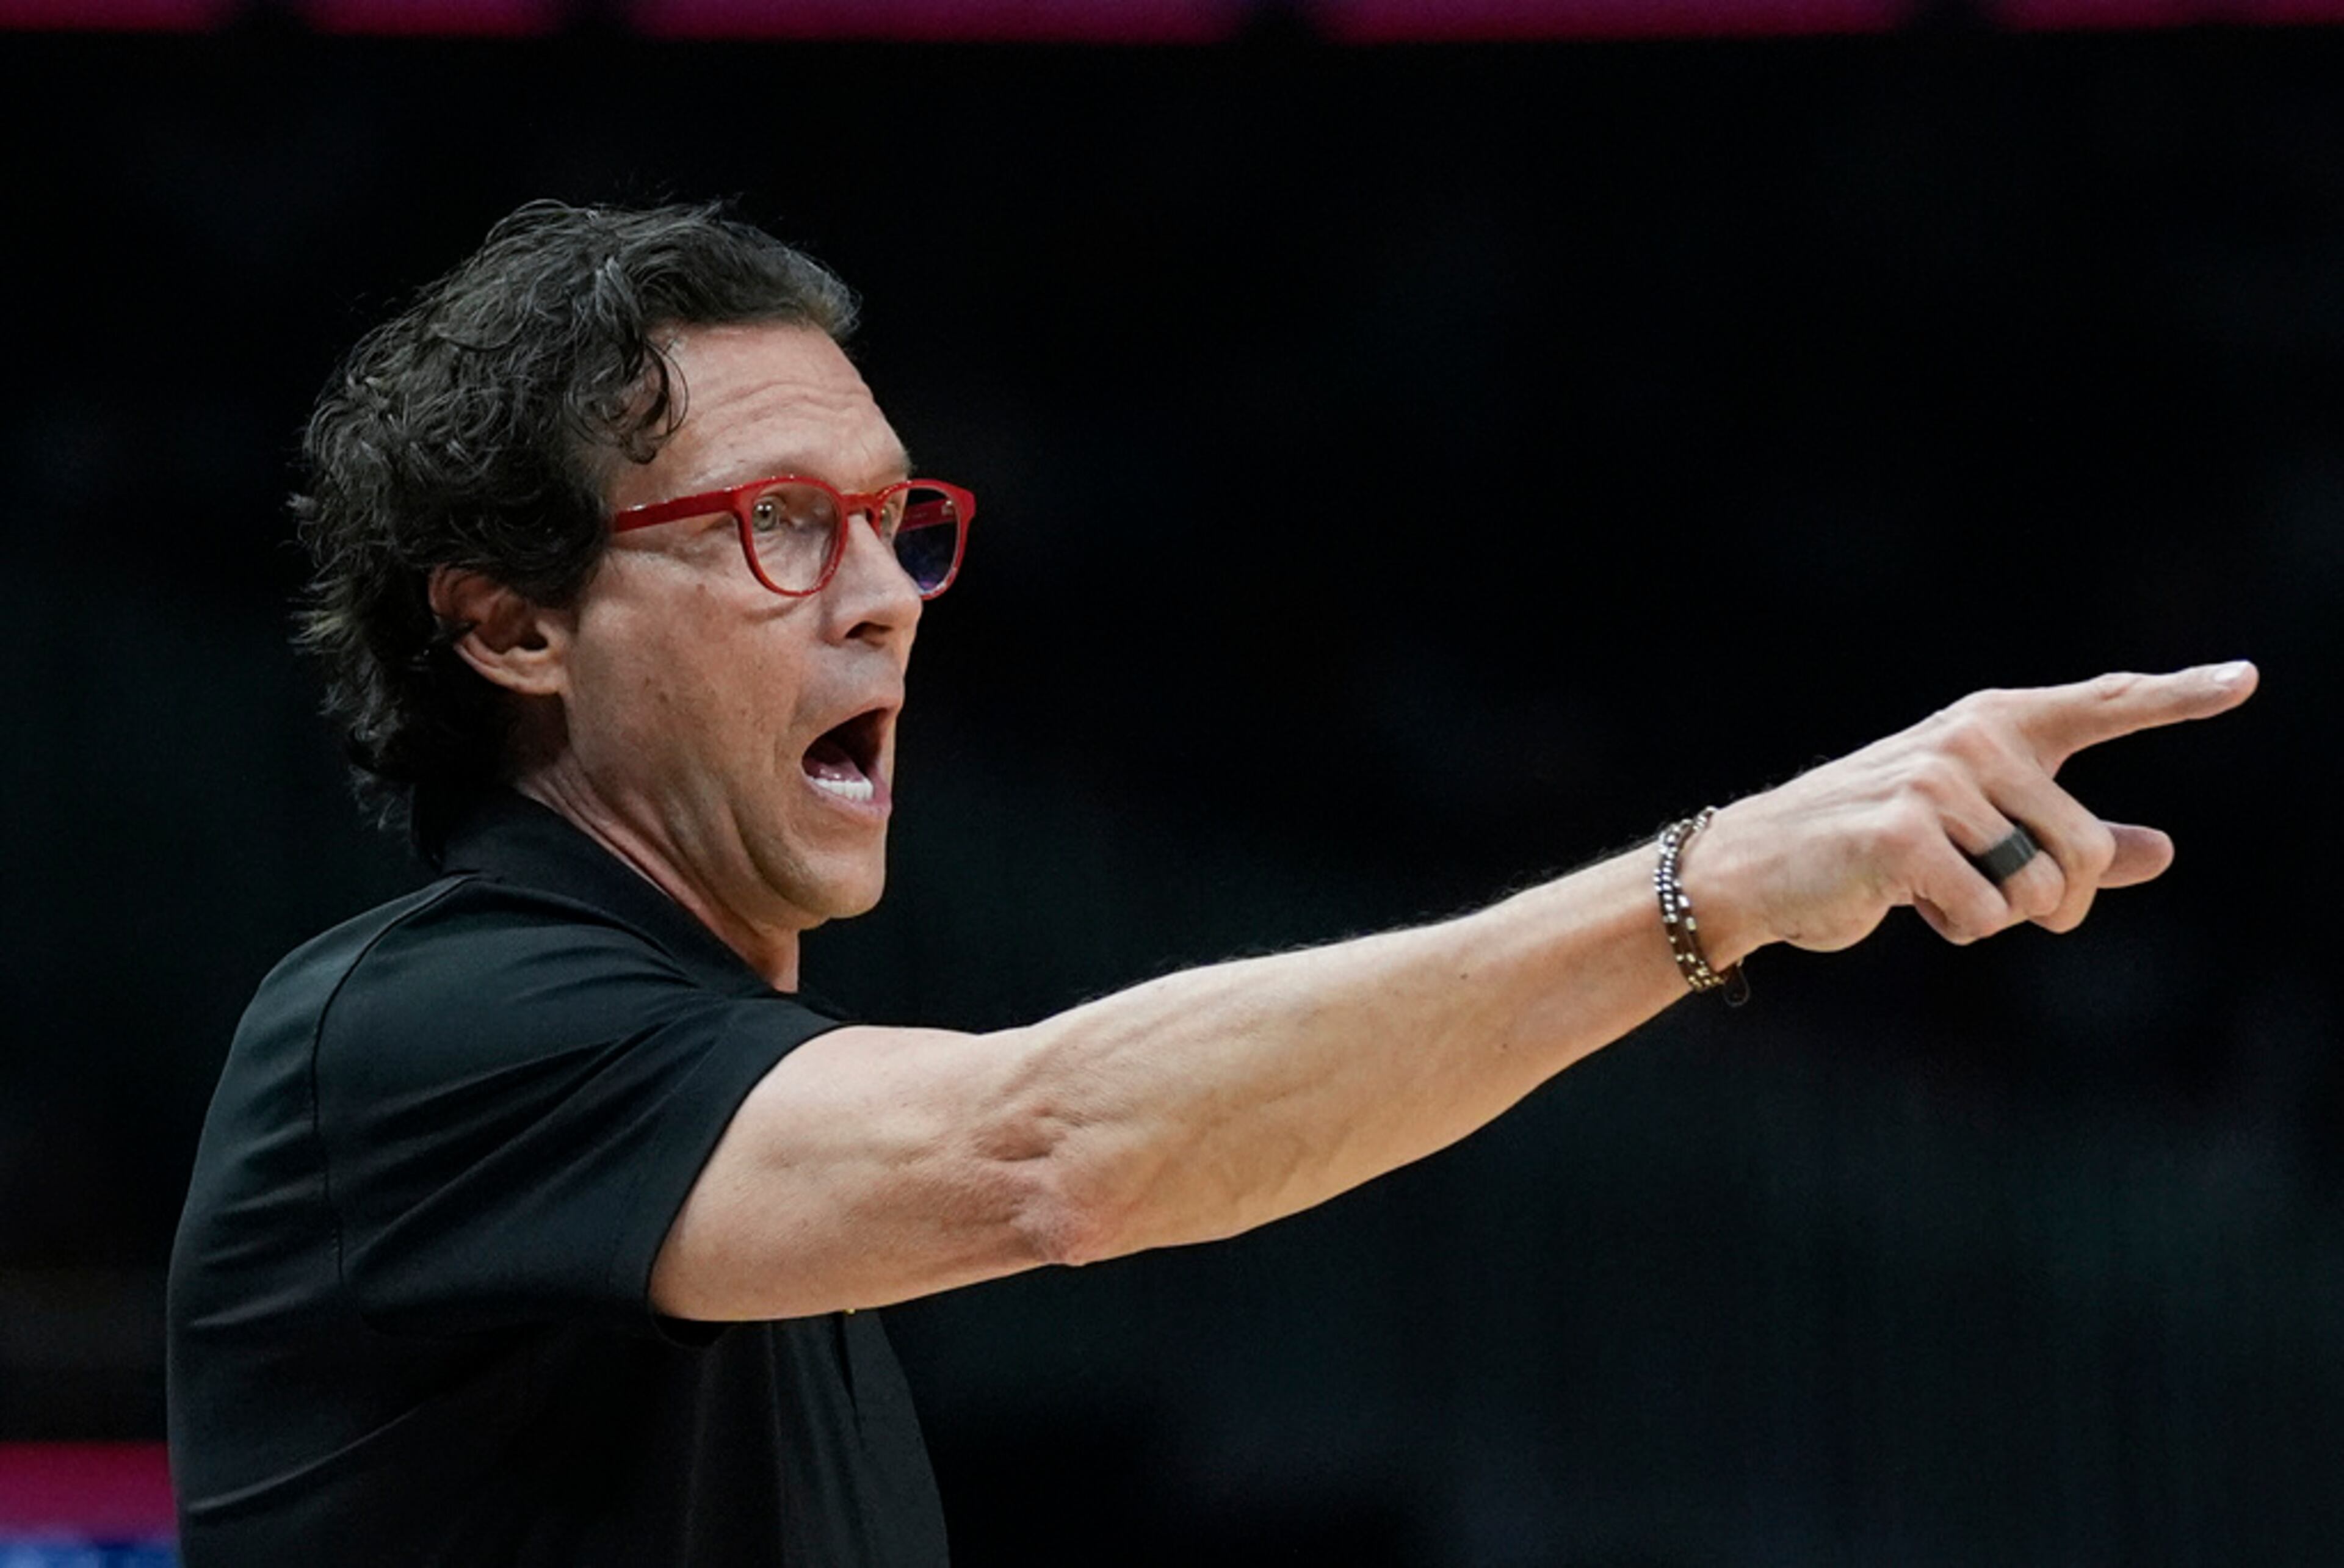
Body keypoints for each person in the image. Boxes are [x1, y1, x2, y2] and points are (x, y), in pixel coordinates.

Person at [165, 199, 2257, 1567]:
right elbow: (1055, 1150)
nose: (888, 596)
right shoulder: (415, 1035)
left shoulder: (731, 1181)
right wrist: (1703, 888)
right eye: (781, 522)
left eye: (900, 523)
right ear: (512, 626)